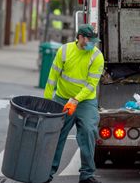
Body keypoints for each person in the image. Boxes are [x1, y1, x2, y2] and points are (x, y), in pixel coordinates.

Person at [44, 24, 104, 183]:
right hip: (62, 98)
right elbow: (52, 76)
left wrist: (76, 100)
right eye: (90, 40)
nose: (93, 44)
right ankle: (46, 173)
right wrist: (47, 101)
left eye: (94, 41)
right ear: (81, 38)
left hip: (85, 101)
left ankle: (87, 175)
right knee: (56, 135)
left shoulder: (97, 56)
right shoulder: (64, 51)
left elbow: (92, 84)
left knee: (89, 131)